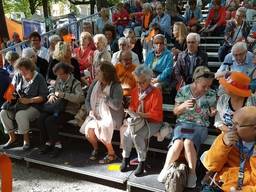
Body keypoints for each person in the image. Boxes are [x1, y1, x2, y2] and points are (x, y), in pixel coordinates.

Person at [158, 66, 216, 188]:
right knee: (178, 143)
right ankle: (165, 169)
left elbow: (212, 111)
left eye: (209, 86)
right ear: (196, 81)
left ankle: (192, 173)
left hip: (200, 125)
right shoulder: (184, 91)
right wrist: (184, 105)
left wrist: (212, 112)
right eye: (204, 86)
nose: (207, 89)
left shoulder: (211, 93)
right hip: (183, 124)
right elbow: (175, 111)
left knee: (188, 142)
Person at [120, 65, 163, 176]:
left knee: (136, 135)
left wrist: (141, 114)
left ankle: (142, 162)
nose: (139, 85)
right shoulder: (135, 91)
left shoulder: (156, 92)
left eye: (142, 82)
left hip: (153, 122)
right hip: (139, 121)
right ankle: (126, 158)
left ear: (149, 80)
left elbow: (157, 113)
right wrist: (131, 111)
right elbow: (133, 106)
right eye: (137, 82)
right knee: (127, 134)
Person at [202, 106, 256, 191]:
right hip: (221, 185)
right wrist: (223, 144)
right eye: (232, 123)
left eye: (237, 125)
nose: (232, 128)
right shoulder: (225, 137)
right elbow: (211, 166)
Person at [80, 62, 124, 164]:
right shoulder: (95, 83)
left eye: (99, 71)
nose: (96, 73)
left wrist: (106, 97)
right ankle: (96, 149)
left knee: (102, 127)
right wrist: (90, 110)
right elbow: (87, 100)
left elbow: (117, 106)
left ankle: (111, 153)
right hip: (96, 114)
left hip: (112, 116)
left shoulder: (116, 86)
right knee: (88, 131)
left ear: (106, 73)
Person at [0, 58, 48, 150]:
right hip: (18, 105)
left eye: (24, 70)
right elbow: (9, 91)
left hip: (35, 106)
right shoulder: (18, 75)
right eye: (20, 70)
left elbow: (44, 97)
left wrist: (30, 100)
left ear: (30, 68)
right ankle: (13, 138)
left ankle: (26, 140)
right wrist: (11, 95)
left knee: (20, 115)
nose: (22, 72)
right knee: (3, 113)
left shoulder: (39, 78)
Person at [37, 63, 84, 157]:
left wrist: (63, 95)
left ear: (67, 73)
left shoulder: (75, 83)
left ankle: (57, 144)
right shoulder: (59, 80)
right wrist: (51, 95)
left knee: (50, 121)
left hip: (69, 110)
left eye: (60, 74)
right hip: (57, 108)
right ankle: (48, 142)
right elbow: (52, 89)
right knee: (41, 118)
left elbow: (80, 98)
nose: (58, 76)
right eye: (57, 74)